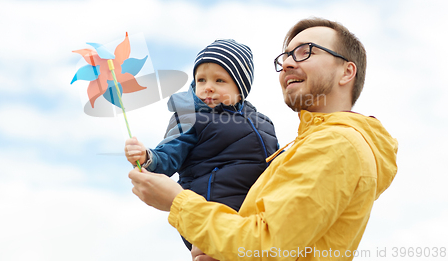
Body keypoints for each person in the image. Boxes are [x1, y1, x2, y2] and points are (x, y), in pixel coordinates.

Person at [129, 18, 398, 261]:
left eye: (306, 52)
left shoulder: (335, 144)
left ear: (347, 72)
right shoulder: (307, 144)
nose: (289, 63)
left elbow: (268, 245)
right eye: (285, 58)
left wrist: (178, 203)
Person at [124, 39, 278, 251]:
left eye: (219, 81)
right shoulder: (191, 118)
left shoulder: (264, 122)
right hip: (208, 212)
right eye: (201, 80)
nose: (208, 88)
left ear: (241, 89)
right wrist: (147, 157)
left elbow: (279, 163)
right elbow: (167, 155)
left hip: (257, 216)